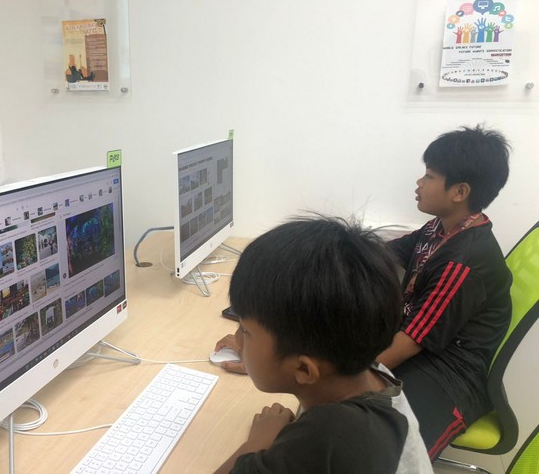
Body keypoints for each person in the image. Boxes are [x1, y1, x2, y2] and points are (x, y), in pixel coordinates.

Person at [214, 216, 432, 474]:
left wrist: (258, 440)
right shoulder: (374, 373)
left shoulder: (327, 437)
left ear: (304, 369)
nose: (238, 340)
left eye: (245, 330)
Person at [376, 125, 512, 460]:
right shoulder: (439, 228)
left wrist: (341, 376)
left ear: (459, 191)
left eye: (429, 175)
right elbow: (386, 253)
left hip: (450, 374)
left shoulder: (463, 262)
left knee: (390, 454)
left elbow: (411, 341)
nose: (419, 183)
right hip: (422, 348)